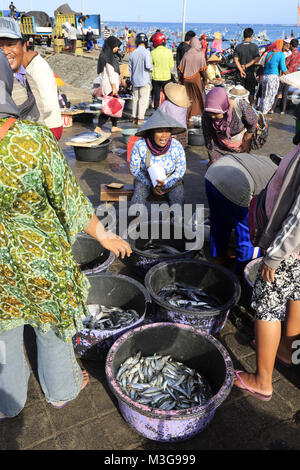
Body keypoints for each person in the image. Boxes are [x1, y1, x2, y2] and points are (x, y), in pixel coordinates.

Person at [0, 49, 132, 419]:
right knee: (51, 325)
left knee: (3, 332)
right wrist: (104, 235)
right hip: (42, 258)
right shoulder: (34, 140)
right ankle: (60, 389)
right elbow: (70, 200)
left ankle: (7, 402)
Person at [234, 134, 300, 401]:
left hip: (288, 252)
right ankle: (286, 351)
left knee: (267, 308)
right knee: (296, 296)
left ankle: (262, 380)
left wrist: (274, 256)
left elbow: (298, 219)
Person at [205, 153, 277, 275]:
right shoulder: (287, 182)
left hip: (213, 172)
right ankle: (242, 274)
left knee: (219, 221)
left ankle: (218, 258)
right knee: (250, 235)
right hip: (237, 183)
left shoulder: (271, 164)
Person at [130, 108, 186, 207]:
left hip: (170, 181)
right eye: (159, 131)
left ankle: (175, 219)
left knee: (178, 196)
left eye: (167, 131)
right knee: (138, 195)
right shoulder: (140, 145)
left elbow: (180, 171)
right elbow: (134, 169)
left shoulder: (176, 146)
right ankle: (135, 218)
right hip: (145, 180)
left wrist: (165, 183)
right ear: (151, 132)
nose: (164, 135)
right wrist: (150, 185)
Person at [202, 86, 258, 163]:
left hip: (240, 146)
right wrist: (212, 158)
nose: (212, 116)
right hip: (219, 146)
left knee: (239, 168)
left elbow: (253, 122)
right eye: (210, 113)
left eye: (215, 113)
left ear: (224, 107)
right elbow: (207, 136)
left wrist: (247, 141)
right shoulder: (206, 113)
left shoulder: (241, 105)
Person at [0, 18, 39, 122]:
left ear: (23, 46)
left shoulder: (29, 77)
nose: (5, 51)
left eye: (10, 44)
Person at [22, 49, 63, 141]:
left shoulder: (38, 69)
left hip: (48, 127)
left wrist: (23, 116)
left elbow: (47, 105)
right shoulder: (32, 66)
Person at [95, 36, 125, 133]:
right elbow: (111, 74)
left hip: (107, 85)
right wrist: (114, 88)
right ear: (111, 45)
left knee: (114, 106)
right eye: (116, 46)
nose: (117, 48)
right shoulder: (109, 58)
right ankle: (98, 127)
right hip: (110, 86)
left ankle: (114, 126)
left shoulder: (104, 55)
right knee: (108, 107)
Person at [178, 36, 207, 121]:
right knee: (198, 98)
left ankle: (188, 116)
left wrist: (180, 81)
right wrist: (205, 81)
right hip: (196, 79)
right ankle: (199, 114)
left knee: (188, 97)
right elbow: (203, 71)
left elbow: (181, 70)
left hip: (186, 79)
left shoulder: (186, 54)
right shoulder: (201, 54)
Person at [129, 32, 153, 126]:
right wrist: (152, 67)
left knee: (135, 99)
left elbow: (130, 69)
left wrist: (132, 80)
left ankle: (134, 117)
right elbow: (148, 66)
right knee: (143, 101)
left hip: (135, 80)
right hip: (144, 80)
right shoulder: (146, 52)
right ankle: (140, 119)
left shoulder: (133, 53)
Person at [259, 39, 288, 116]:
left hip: (265, 77)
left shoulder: (269, 53)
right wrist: (290, 75)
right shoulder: (281, 55)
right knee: (270, 97)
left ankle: (261, 113)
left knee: (264, 96)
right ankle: (263, 115)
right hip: (272, 77)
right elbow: (283, 68)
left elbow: (265, 65)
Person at [272, 38, 300, 115]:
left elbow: (284, 65)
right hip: (292, 76)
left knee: (277, 92)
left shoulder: (291, 54)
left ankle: (272, 109)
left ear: (291, 45)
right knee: (285, 93)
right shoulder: (299, 54)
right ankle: (282, 111)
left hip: (286, 75)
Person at [233, 28, 260, 106]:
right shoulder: (254, 46)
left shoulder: (238, 47)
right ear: (252, 35)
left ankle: (238, 109)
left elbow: (235, 60)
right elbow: (257, 58)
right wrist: (246, 66)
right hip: (250, 73)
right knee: (251, 93)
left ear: (243, 35)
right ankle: (250, 109)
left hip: (239, 73)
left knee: (239, 93)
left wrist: (241, 70)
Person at [159, 82, 190, 148]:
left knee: (171, 147)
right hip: (182, 130)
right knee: (180, 147)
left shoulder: (166, 104)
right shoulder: (184, 105)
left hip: (172, 131)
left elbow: (159, 114)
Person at [150, 32, 174, 110]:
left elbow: (150, 65)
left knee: (156, 96)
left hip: (156, 77)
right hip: (166, 77)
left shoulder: (153, 52)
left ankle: (156, 112)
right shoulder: (169, 51)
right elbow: (171, 66)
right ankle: (167, 110)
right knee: (167, 96)